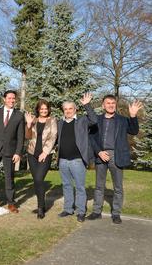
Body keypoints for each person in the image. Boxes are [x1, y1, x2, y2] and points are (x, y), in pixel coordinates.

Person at [87, 95, 142, 224]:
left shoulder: (122, 120)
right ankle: (96, 211)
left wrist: (133, 116)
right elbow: (91, 138)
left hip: (116, 155)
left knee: (118, 187)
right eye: (108, 103)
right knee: (99, 186)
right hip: (101, 154)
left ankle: (116, 213)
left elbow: (134, 131)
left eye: (113, 103)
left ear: (115, 105)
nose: (111, 105)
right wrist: (99, 152)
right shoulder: (97, 120)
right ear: (103, 105)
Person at [57, 93, 97, 222]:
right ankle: (68, 209)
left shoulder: (82, 121)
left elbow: (94, 120)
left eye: (70, 108)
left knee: (80, 187)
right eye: (66, 109)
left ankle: (81, 211)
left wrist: (87, 105)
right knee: (67, 185)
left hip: (77, 161)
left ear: (75, 109)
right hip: (63, 160)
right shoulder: (60, 123)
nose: (68, 111)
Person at [0, 90, 25, 213]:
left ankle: (11, 202)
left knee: (9, 177)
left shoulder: (19, 115)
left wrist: (18, 152)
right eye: (9, 98)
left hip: (10, 151)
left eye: (13, 98)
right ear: (4, 99)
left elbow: (21, 136)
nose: (12, 100)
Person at [25, 99, 57, 219]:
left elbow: (53, 137)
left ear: (48, 109)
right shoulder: (33, 120)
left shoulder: (52, 120)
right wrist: (28, 125)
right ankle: (41, 205)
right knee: (36, 181)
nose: (44, 110)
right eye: (41, 108)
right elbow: (27, 136)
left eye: (45, 108)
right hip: (32, 154)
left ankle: (40, 208)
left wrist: (45, 152)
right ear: (38, 109)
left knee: (39, 178)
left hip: (45, 155)